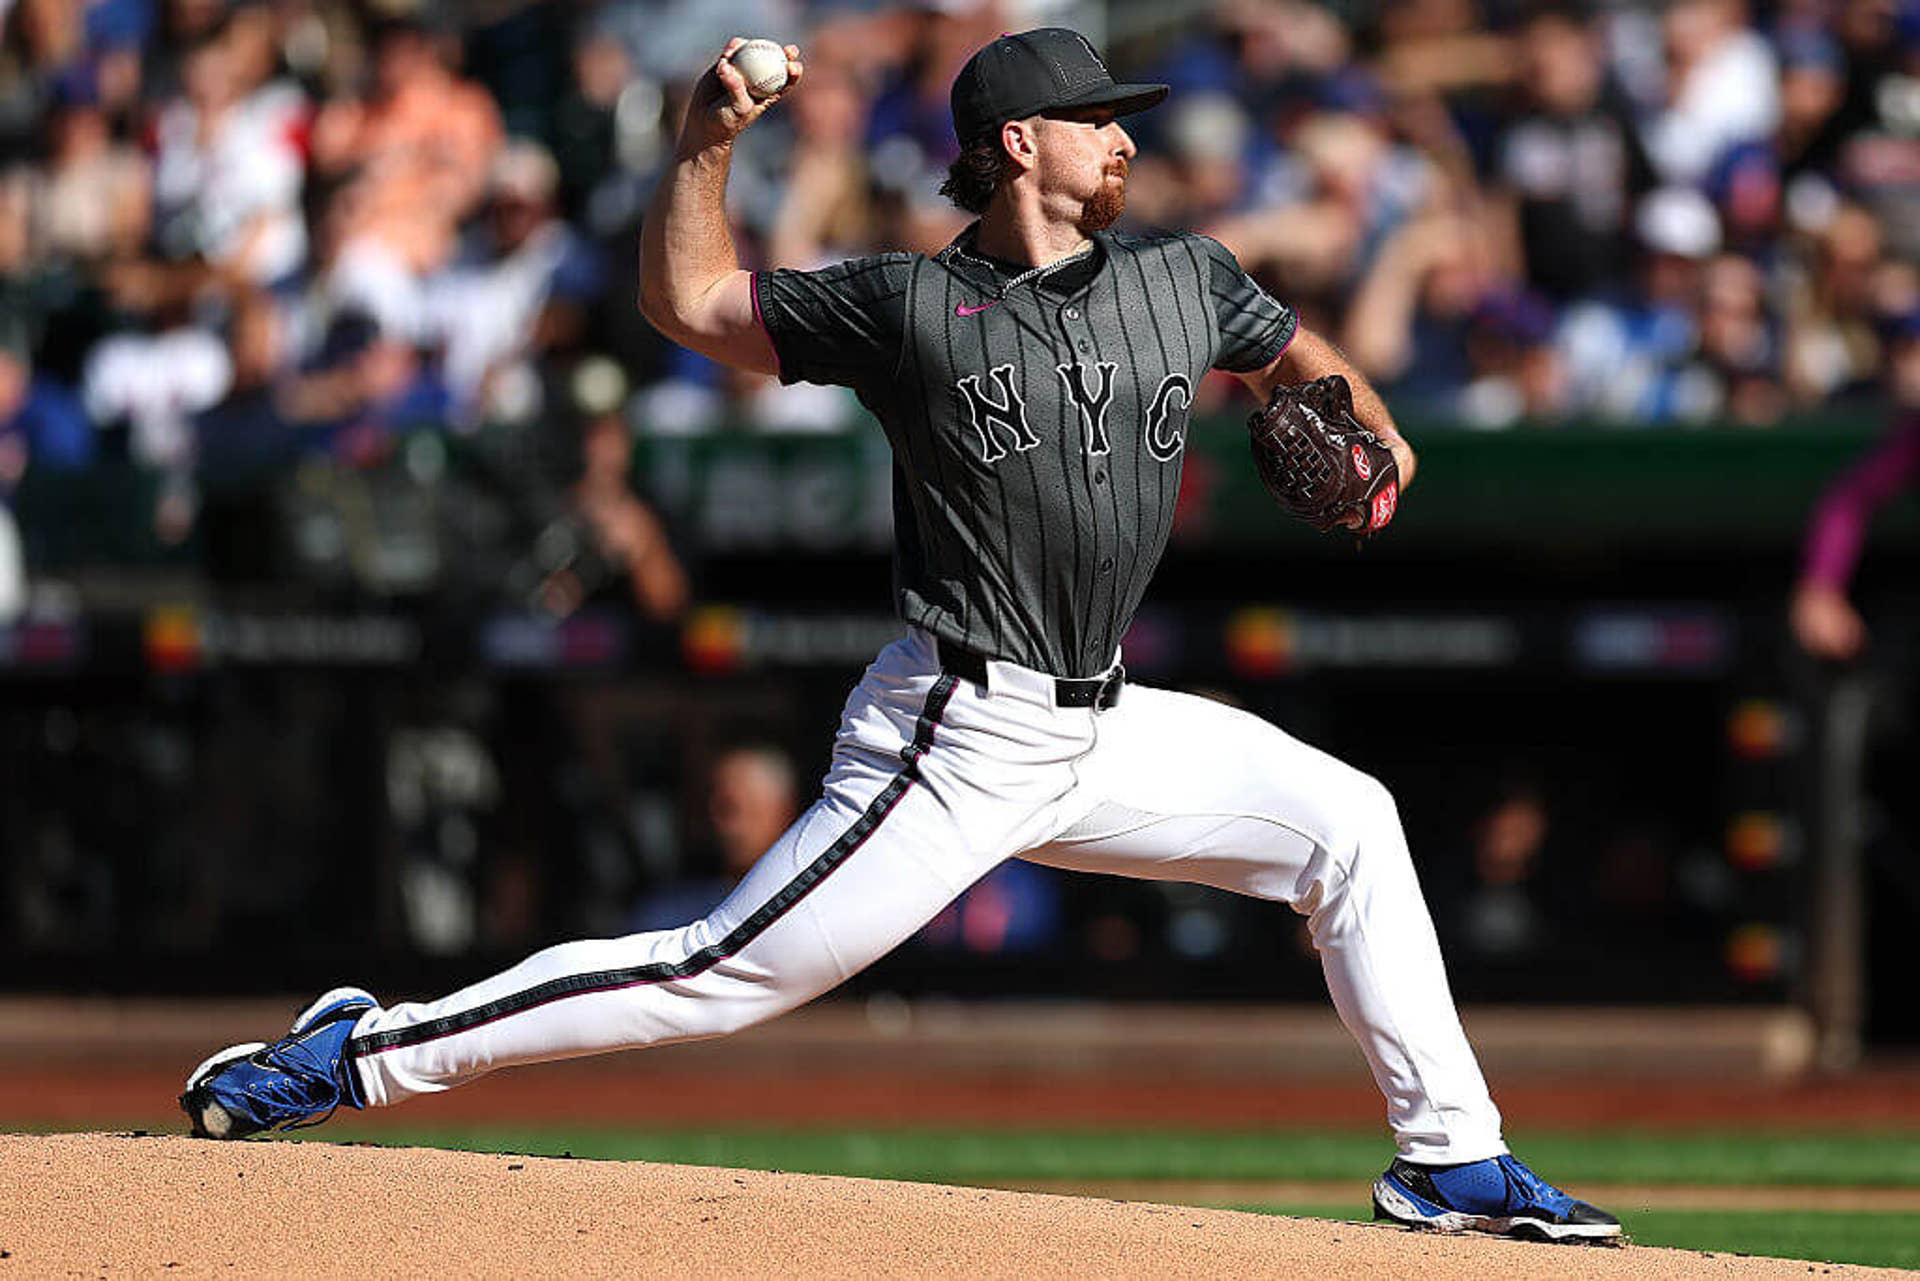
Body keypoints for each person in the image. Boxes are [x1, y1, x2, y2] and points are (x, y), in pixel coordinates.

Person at [180, 29, 1619, 1244]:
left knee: (1351, 822)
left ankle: (1448, 1158)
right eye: (1095, 121)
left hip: (1105, 722)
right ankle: (354, 1053)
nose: (1124, 140)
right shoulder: (910, 304)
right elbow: (686, 303)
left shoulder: (1186, 276)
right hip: (955, 729)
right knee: (710, 974)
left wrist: (1376, 431)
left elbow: (1301, 360)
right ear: (1010, 144)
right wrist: (702, 141)